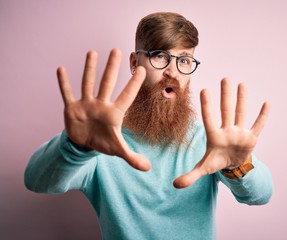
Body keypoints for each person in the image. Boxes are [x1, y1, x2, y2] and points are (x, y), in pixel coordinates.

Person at [24, 12, 273, 240]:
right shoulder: (100, 139)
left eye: (184, 60)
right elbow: (36, 181)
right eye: (160, 56)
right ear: (135, 62)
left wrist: (238, 164)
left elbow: (261, 195)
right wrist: (76, 147)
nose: (172, 72)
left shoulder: (208, 141)